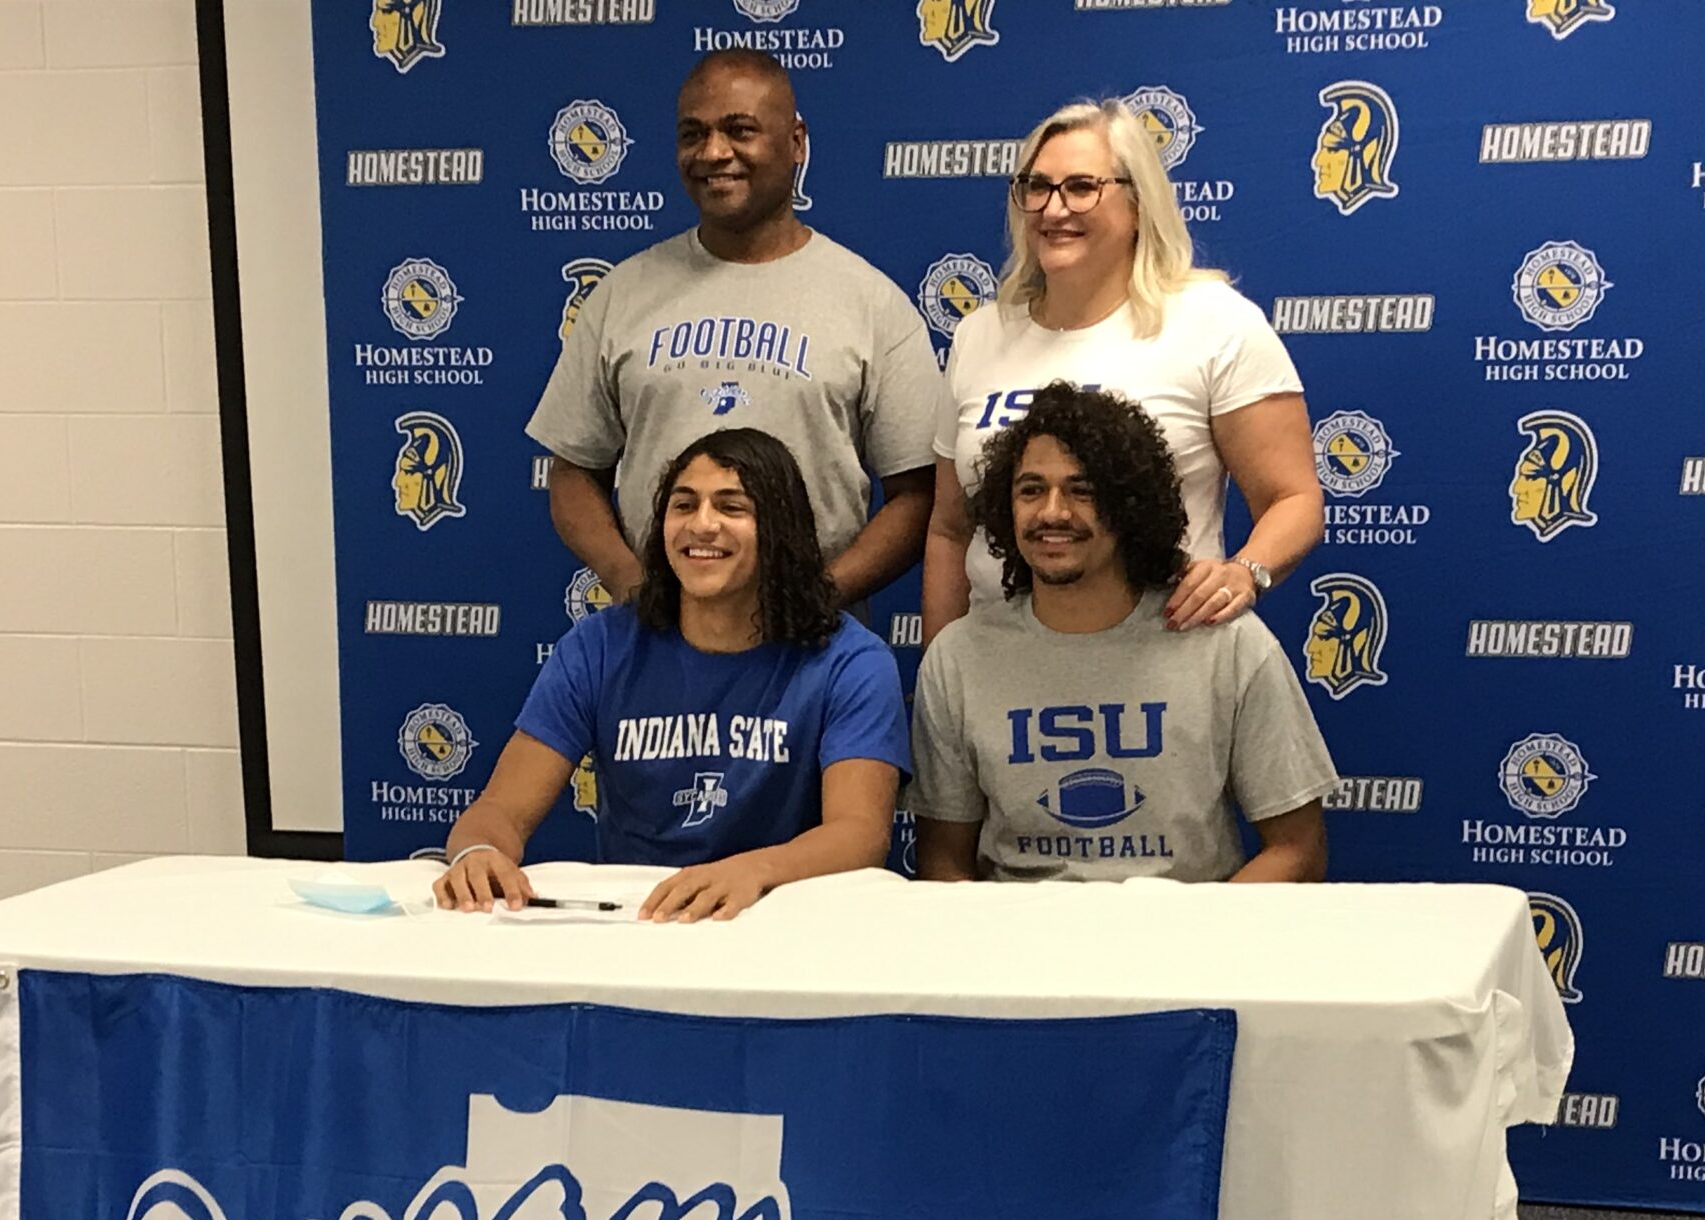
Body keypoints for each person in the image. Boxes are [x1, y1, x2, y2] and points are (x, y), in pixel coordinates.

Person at [435, 428, 906, 922]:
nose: (702, 525)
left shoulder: (850, 660)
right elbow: (500, 809)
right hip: (640, 923)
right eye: (683, 506)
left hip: (779, 920)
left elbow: (859, 835)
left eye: (731, 507)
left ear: (780, 529)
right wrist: (478, 853)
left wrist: (752, 871)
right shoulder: (599, 647)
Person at [529, 49, 940, 609]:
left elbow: (917, 495)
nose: (714, 153)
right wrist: (633, 586)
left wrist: (814, 601)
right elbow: (574, 471)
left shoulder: (871, 303)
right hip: (658, 647)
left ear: (796, 142)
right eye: (693, 134)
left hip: (811, 654)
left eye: (739, 130)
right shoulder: (621, 295)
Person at [921, 97, 1324, 642]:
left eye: (1082, 187)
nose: (1053, 209)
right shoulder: (980, 335)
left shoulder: (1215, 323)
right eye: (1036, 187)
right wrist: (941, 670)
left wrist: (1245, 572)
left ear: (1138, 204)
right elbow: (949, 529)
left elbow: (1293, 500)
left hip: (1162, 660)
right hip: (1003, 668)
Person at [910, 383, 1336, 885]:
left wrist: (1196, 944)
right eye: (1031, 489)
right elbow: (943, 863)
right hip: (1019, 946)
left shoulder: (1226, 644)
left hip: (1187, 944)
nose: (1052, 512)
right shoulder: (958, 657)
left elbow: (1297, 851)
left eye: (1082, 490)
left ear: (1130, 504)